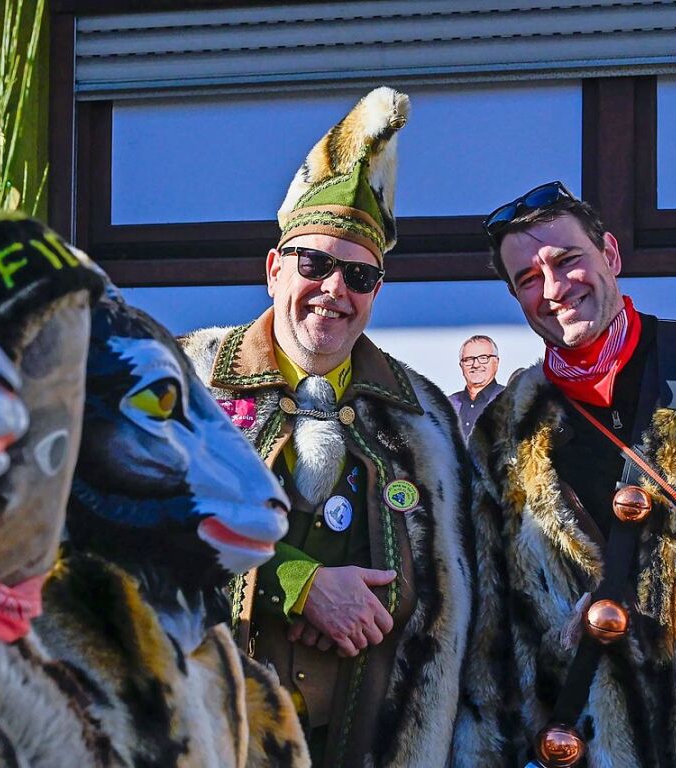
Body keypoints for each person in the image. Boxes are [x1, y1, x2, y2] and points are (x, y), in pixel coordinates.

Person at [182, 87, 472, 768]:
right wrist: (299, 586)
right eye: (314, 263)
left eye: (361, 276)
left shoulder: (422, 416)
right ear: (273, 268)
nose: (334, 290)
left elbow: (454, 604)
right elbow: (126, 535)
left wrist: (374, 606)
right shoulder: (187, 380)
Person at [453, 181, 676, 768]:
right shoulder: (500, 431)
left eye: (566, 261)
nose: (554, 290)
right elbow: (490, 644)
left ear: (609, 255)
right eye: (528, 280)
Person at [449, 335, 505, 441]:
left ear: (496, 362)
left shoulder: (510, 400)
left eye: (483, 358)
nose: (475, 364)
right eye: (468, 359)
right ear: (461, 365)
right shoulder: (449, 405)